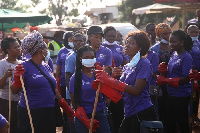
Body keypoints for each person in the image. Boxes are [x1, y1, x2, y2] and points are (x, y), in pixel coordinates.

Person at [94, 30, 157, 133]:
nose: (127, 45)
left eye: (132, 43)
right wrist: (110, 79)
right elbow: (119, 91)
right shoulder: (128, 66)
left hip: (142, 111)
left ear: (140, 48)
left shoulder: (144, 63)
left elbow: (136, 90)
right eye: (126, 42)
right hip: (129, 111)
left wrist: (110, 80)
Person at [10, 30, 58, 133]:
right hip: (31, 111)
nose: (47, 50)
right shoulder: (23, 66)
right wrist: (17, 80)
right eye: (46, 48)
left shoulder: (46, 66)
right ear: (40, 50)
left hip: (48, 111)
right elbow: (14, 91)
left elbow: (52, 87)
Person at [157, 30, 193, 133]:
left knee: (182, 123)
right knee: (169, 122)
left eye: (174, 42)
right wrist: (164, 70)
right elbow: (173, 72)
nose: (171, 44)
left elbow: (186, 78)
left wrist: (166, 80)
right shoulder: (174, 54)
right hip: (171, 94)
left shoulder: (186, 57)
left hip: (181, 95)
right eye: (170, 42)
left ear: (182, 42)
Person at [69, 45, 111, 133]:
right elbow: (74, 101)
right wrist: (84, 119)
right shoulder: (75, 78)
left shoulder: (98, 75)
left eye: (92, 57)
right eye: (86, 57)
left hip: (100, 114)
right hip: (84, 116)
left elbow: (106, 94)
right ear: (80, 59)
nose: (89, 59)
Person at [102, 26, 129, 133]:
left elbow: (127, 64)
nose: (112, 38)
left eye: (114, 36)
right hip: (105, 83)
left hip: (119, 83)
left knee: (118, 111)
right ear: (104, 36)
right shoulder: (100, 47)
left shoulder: (120, 48)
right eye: (109, 36)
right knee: (107, 113)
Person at [150, 23, 172, 125]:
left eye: (169, 33)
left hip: (174, 81)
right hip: (160, 82)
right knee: (162, 106)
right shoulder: (154, 49)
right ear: (159, 35)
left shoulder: (174, 46)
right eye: (164, 34)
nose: (168, 36)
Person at [0, 37, 21, 133]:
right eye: (15, 47)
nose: (18, 49)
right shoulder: (2, 64)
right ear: (8, 50)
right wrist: (5, 76)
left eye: (19, 46)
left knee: (19, 126)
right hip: (6, 101)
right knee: (9, 127)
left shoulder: (21, 64)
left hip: (20, 102)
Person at [56, 31, 75, 133]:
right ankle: (66, 129)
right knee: (66, 106)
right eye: (70, 39)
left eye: (74, 38)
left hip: (75, 82)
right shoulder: (62, 51)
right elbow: (58, 68)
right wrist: (57, 81)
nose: (72, 41)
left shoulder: (79, 51)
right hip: (64, 83)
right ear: (66, 40)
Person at [187, 25, 200, 124]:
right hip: (188, 74)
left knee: (196, 96)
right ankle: (189, 117)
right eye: (192, 32)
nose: (194, 34)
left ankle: (195, 117)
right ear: (187, 33)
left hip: (198, 74)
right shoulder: (186, 45)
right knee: (189, 96)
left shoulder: (199, 43)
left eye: (196, 32)